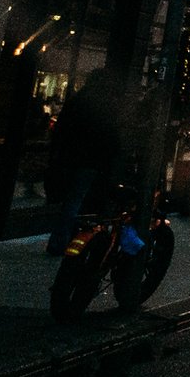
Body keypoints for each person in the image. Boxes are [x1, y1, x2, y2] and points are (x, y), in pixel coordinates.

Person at [43, 71, 124, 255]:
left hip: (70, 158)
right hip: (90, 161)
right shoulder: (104, 105)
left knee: (70, 201)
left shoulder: (78, 100)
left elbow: (61, 128)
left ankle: (62, 241)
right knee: (77, 201)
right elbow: (110, 135)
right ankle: (67, 242)